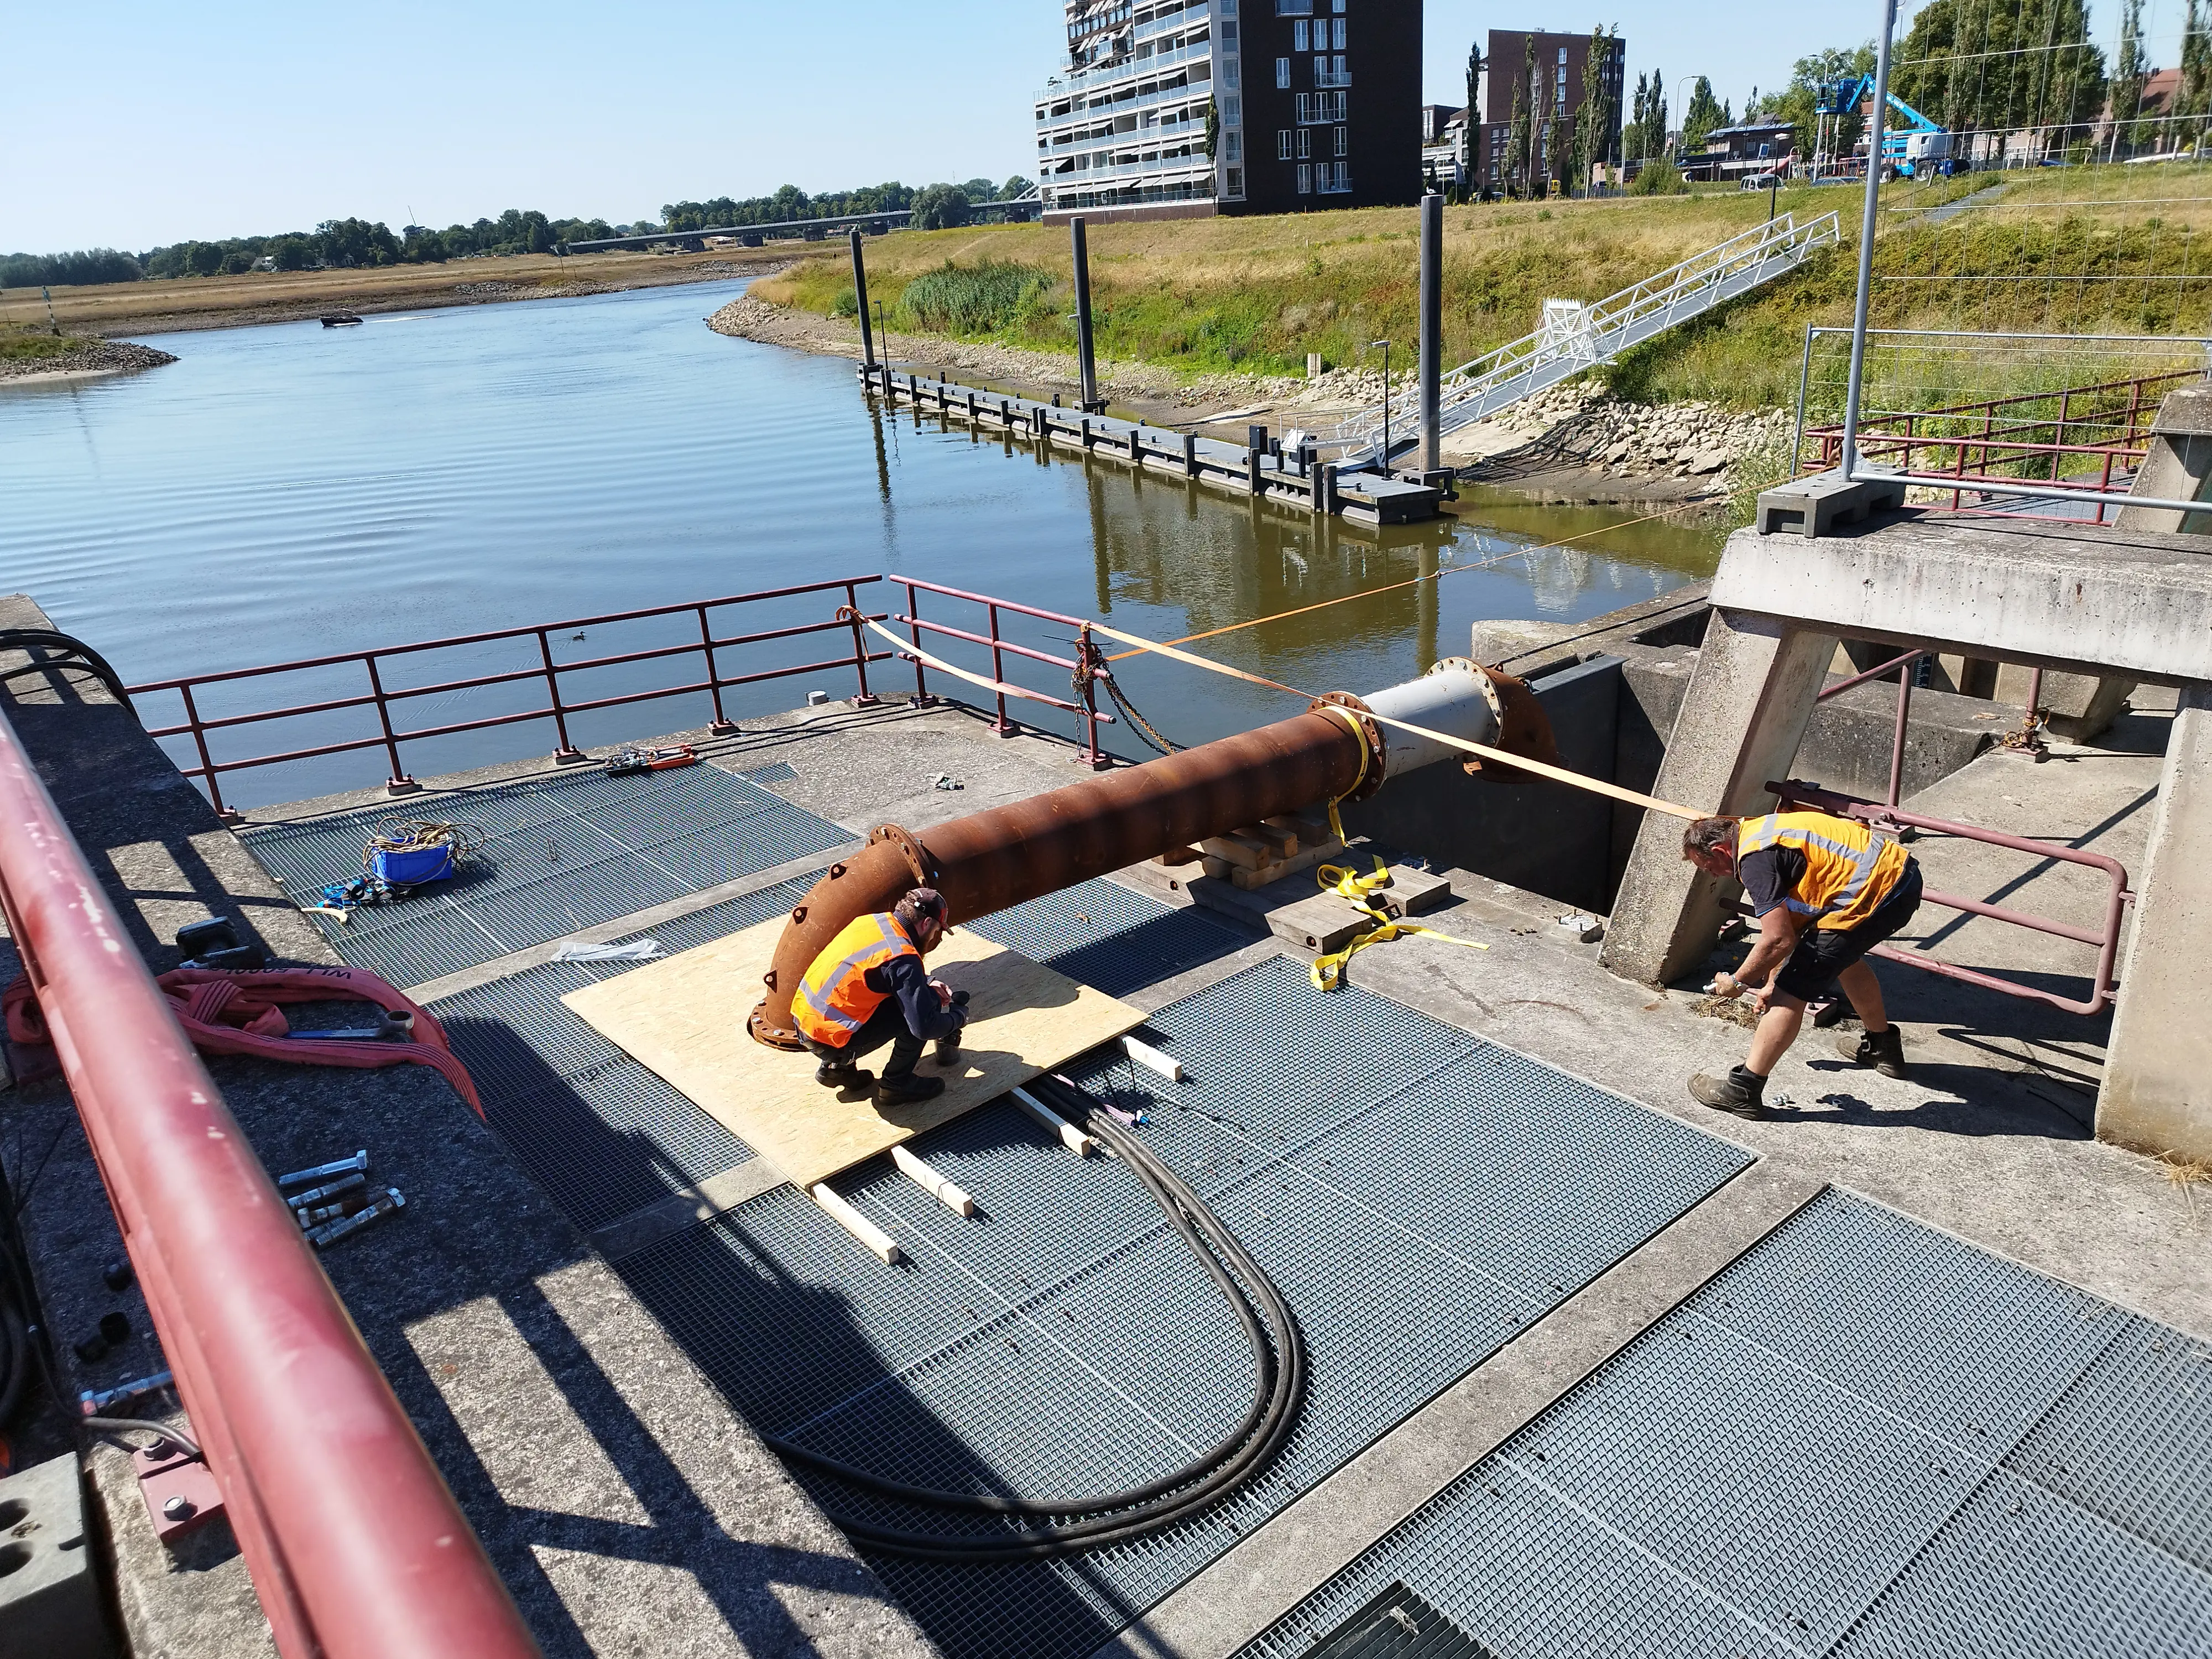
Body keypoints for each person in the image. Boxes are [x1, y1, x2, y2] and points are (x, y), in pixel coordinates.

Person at [1678, 807, 1924, 1119]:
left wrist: (1737, 982)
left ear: (1719, 850)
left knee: (1790, 995)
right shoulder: (1761, 830)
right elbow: (1789, 929)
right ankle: (1883, 1050)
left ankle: (1743, 1091)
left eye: (1709, 867)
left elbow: (1777, 940)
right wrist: (1768, 983)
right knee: (1843, 962)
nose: (1713, 875)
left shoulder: (1755, 862)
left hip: (1871, 895)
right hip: (1900, 879)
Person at [792, 887, 970, 1105]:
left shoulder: (870, 922)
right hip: (833, 1042)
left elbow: (874, 969)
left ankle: (837, 1071)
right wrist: (959, 1017)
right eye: (936, 931)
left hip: (805, 1025)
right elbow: (925, 1027)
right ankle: (896, 1085)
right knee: (925, 1006)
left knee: (891, 995)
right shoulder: (903, 959)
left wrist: (925, 980)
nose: (935, 936)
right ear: (926, 924)